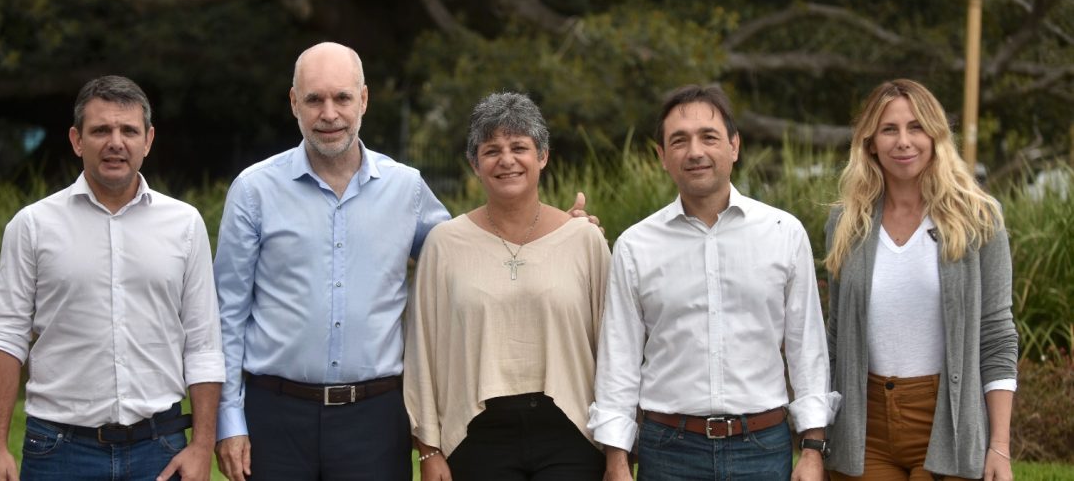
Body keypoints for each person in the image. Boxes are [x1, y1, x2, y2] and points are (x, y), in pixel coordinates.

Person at [213, 42, 597, 481]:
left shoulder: (406, 188)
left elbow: (473, 250)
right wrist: (230, 422)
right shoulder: (254, 190)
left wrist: (555, 234)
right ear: (294, 103)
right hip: (275, 415)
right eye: (315, 99)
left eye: (342, 97)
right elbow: (227, 315)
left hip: (374, 419)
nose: (329, 113)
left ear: (364, 100)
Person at [588, 84, 839, 481]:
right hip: (668, 450)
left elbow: (807, 349)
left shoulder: (783, 233)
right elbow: (619, 360)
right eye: (679, 140)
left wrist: (812, 449)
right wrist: (616, 460)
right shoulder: (635, 245)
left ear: (734, 146)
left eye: (709, 137)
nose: (695, 151)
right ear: (662, 157)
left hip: (762, 448)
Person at [0, 75, 225, 481]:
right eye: (101, 130)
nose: (116, 142)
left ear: (148, 140)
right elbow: (6, 336)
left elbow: (203, 343)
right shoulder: (32, 226)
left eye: (129, 130)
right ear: (77, 140)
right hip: (58, 451)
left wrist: (202, 446)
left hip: (160, 450)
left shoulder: (185, 224)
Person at [404, 92, 610, 481]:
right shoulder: (444, 244)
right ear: (474, 163)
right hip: (476, 434)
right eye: (491, 150)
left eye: (520, 147)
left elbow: (612, 347)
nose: (507, 160)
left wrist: (617, 448)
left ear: (543, 156)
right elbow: (421, 351)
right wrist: (428, 448)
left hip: (572, 431)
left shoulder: (584, 240)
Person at [823, 79, 1017, 481]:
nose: (903, 141)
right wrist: (817, 439)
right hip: (866, 426)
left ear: (936, 135)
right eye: (889, 129)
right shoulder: (846, 223)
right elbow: (836, 335)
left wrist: (999, 445)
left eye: (916, 127)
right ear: (870, 142)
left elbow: (997, 335)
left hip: (949, 418)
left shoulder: (979, 218)